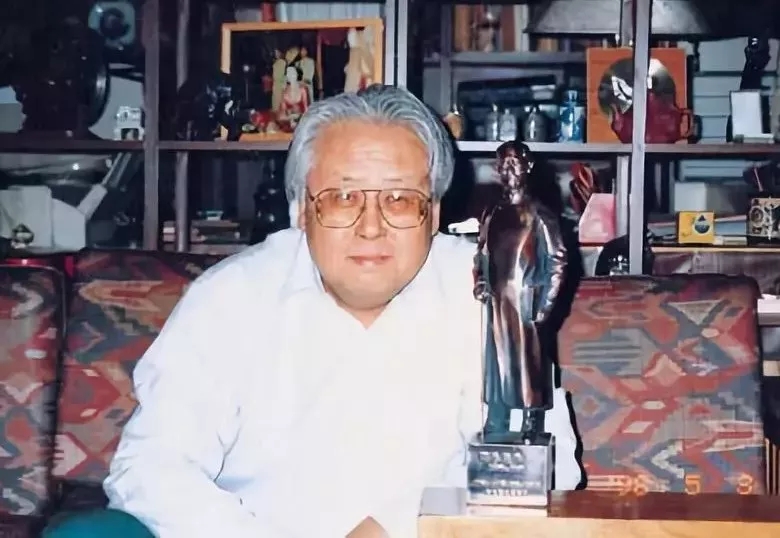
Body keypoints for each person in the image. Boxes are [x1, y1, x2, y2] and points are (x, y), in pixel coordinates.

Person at [43, 85, 581, 538]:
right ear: (301, 209)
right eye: (343, 198)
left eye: (399, 200)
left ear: (434, 212)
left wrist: (397, 526)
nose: (371, 227)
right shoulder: (232, 298)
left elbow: (547, 469)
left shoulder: (489, 294)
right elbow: (150, 468)